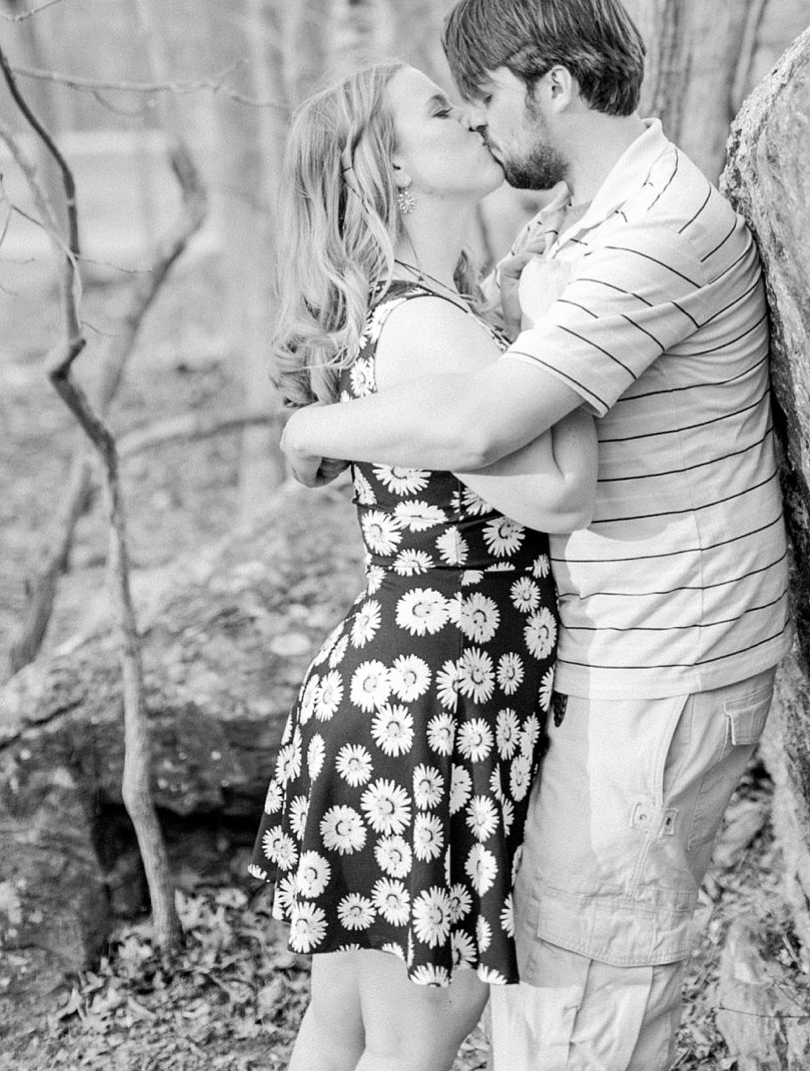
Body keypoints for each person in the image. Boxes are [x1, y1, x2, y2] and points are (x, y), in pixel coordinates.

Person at [280, 0, 791, 1070]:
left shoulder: (641, 231)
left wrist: (313, 429)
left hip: (657, 657)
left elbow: (484, 436)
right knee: (500, 1009)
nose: (469, 116)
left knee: (565, 1004)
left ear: (552, 85)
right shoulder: (570, 231)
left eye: (477, 94)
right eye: (440, 107)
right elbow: (518, 455)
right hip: (482, 677)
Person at [251, 60, 600, 1071]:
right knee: (415, 1039)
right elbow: (554, 495)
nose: (473, 119)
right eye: (440, 109)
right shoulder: (429, 326)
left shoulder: (422, 308)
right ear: (389, 166)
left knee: (349, 1023)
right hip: (440, 698)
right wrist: (564, 348)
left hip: (394, 684)